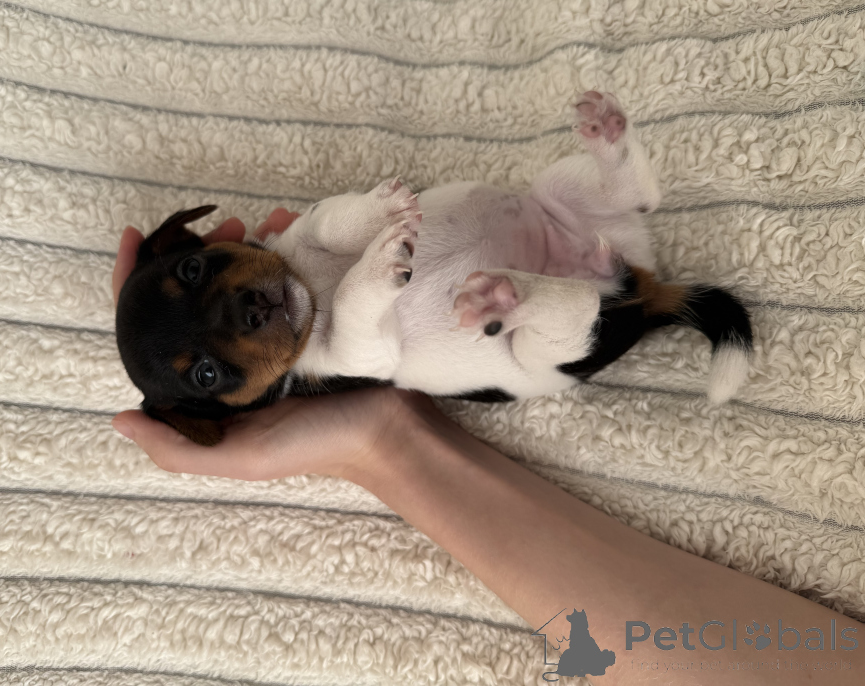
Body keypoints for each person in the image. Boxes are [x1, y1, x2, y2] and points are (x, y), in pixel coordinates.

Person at [111, 211, 859, 685]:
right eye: (207, 372)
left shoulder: (303, 280)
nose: (237, 308)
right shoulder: (331, 356)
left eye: (193, 270)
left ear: (191, 239)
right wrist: (376, 436)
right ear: (212, 416)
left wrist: (379, 441)